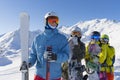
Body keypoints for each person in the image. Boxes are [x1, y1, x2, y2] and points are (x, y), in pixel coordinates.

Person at [28, 12, 70, 80]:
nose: (54, 23)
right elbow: (33, 54)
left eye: (56, 21)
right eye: (51, 20)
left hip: (55, 76)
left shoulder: (62, 38)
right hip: (39, 75)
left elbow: (66, 56)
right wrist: (29, 62)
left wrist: (55, 57)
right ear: (46, 22)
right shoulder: (38, 38)